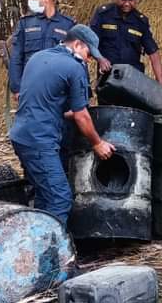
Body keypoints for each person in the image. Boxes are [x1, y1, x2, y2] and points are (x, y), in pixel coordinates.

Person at [9, 25, 116, 227]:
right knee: (60, 198)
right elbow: (81, 116)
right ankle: (53, 253)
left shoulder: (39, 57)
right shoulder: (74, 68)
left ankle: (35, 246)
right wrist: (98, 143)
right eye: (88, 53)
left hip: (20, 136)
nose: (89, 59)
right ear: (77, 44)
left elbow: (43, 101)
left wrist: (75, 112)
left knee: (43, 195)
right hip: (40, 142)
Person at [8, 0, 77, 100]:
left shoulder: (68, 25)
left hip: (58, 90)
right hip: (31, 88)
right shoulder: (25, 24)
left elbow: (76, 60)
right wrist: (17, 88)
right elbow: (16, 57)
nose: (30, 1)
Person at [89, 0, 162, 85]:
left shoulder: (141, 21)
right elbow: (90, 42)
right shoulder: (103, 15)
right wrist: (100, 59)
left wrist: (160, 82)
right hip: (108, 77)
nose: (127, 3)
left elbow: (153, 53)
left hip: (132, 79)